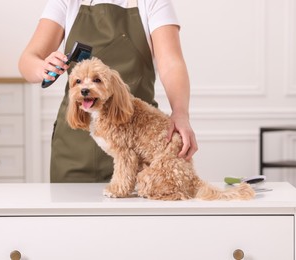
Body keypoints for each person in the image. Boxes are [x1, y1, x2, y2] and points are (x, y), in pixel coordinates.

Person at [19, 0, 198, 183]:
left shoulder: (152, 3)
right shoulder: (66, 2)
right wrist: (41, 67)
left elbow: (171, 63)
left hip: (139, 144)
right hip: (75, 147)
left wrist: (181, 112)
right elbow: (27, 60)